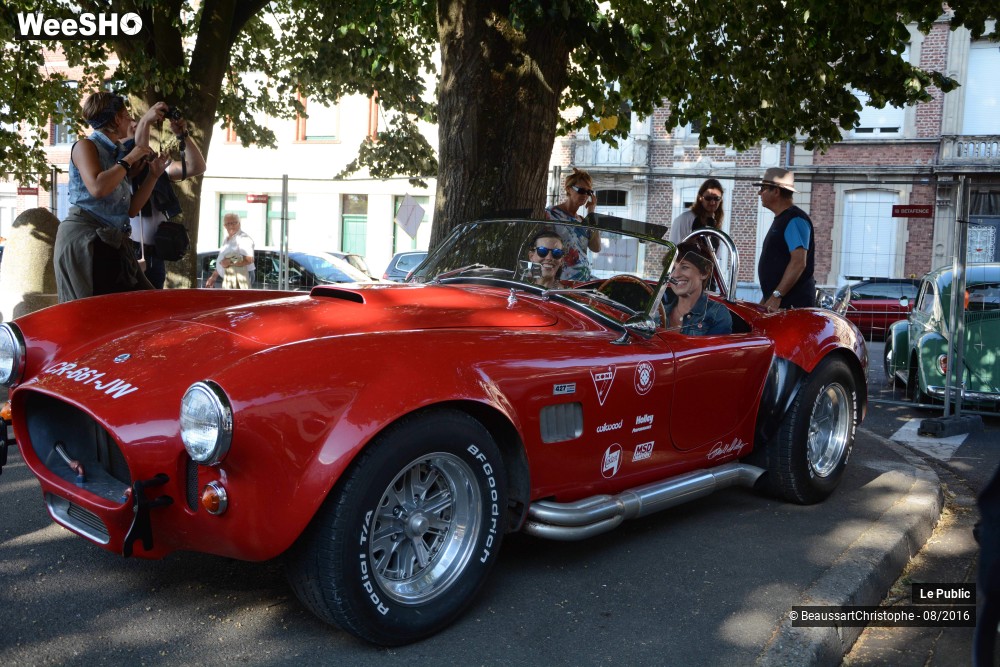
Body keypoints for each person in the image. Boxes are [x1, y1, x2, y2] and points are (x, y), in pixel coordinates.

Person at [53, 93, 170, 303]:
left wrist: (153, 175)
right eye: (127, 116)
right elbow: (98, 187)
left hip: (110, 241)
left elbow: (131, 210)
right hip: (85, 241)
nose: (130, 121)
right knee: (96, 313)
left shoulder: (117, 153)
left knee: (140, 305)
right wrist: (129, 159)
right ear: (116, 119)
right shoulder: (85, 146)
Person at [125, 113, 207, 288]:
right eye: (131, 124)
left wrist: (182, 135)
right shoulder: (118, 166)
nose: (135, 126)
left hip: (155, 255)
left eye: (137, 124)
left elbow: (197, 167)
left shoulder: (155, 164)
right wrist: (146, 121)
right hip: (131, 252)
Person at [756, 167, 815, 311]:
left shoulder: (794, 219)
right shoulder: (784, 219)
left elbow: (798, 262)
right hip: (781, 303)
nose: (759, 193)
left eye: (763, 188)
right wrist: (766, 299)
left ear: (776, 191)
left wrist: (777, 296)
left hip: (791, 306)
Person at [662, 241, 732, 335]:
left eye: (684, 267)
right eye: (672, 269)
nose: (675, 274)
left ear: (704, 273)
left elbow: (712, 349)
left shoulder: (716, 314)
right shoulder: (658, 313)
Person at [544, 168, 601, 281]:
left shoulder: (583, 221)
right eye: (581, 190)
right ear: (569, 189)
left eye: (589, 192)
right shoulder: (552, 214)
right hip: (560, 279)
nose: (585, 195)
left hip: (582, 279)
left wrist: (591, 212)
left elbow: (596, 247)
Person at [669, 178, 725, 251]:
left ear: (721, 200)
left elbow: (716, 256)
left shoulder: (716, 222)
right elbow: (673, 249)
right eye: (708, 198)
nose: (712, 202)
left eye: (716, 198)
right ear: (700, 198)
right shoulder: (684, 219)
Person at [204, 213, 255, 288]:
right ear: (224, 226)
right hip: (230, 278)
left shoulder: (244, 238)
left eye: (234, 223)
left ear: (239, 224)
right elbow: (221, 260)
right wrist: (214, 276)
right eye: (228, 224)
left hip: (242, 278)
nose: (231, 226)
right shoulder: (227, 239)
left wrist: (229, 261)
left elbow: (249, 259)